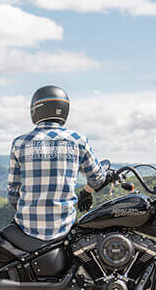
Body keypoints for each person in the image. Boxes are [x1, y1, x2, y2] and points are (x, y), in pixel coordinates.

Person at [7, 85, 108, 241]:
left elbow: (13, 194)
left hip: (26, 228)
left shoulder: (20, 143)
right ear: (64, 109)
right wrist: (87, 192)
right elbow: (98, 179)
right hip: (65, 228)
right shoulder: (78, 140)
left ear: (36, 109)